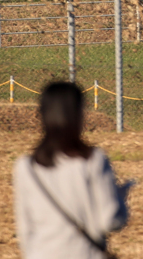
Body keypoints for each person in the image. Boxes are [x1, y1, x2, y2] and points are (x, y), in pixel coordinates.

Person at [13, 82, 131, 259]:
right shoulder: (94, 160)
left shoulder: (25, 167)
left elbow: (25, 229)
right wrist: (120, 199)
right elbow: (110, 221)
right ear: (78, 115)